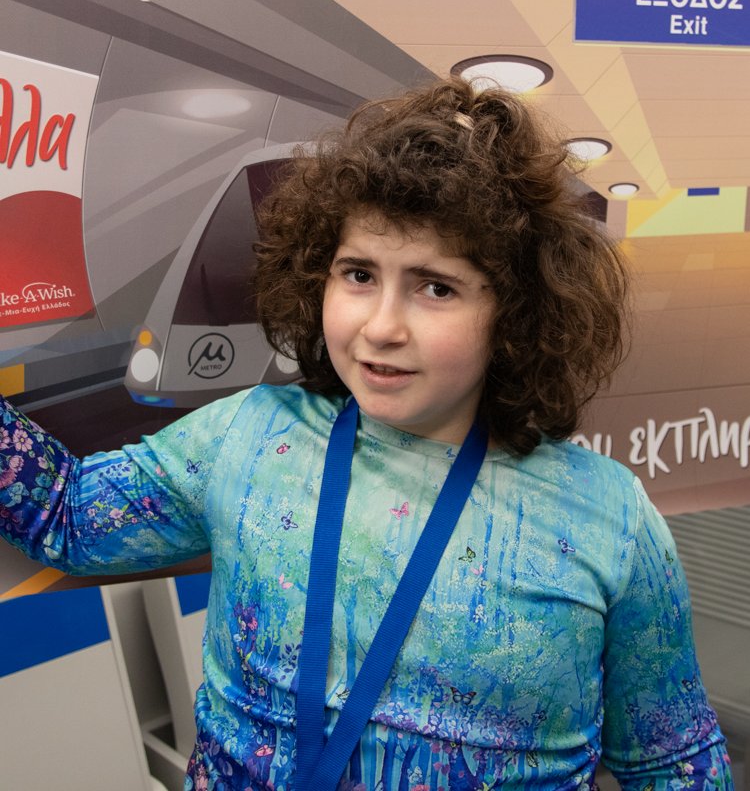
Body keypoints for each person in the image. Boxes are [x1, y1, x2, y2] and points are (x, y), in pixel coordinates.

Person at [0, 77, 733, 791]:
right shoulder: (247, 437)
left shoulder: (608, 518)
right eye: (357, 275)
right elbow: (66, 516)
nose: (381, 327)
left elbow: (671, 761)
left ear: (516, 314)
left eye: (435, 287)